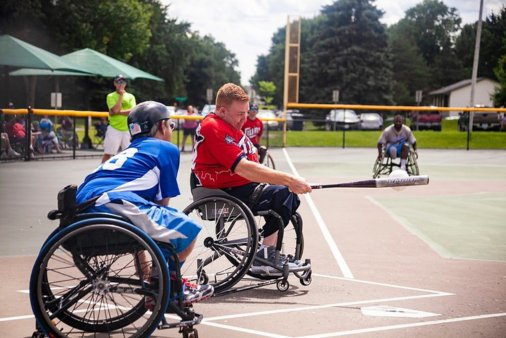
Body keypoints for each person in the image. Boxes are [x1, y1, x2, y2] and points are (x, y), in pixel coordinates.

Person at [76, 101, 213, 306]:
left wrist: (145, 270)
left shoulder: (128, 153)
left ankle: (158, 284)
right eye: (170, 125)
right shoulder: (165, 149)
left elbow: (143, 222)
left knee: (151, 222)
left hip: (84, 205)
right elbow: (162, 204)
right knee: (187, 230)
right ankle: (169, 289)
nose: (171, 131)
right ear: (162, 126)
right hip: (111, 202)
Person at [191, 83, 312, 275]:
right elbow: (244, 168)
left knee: (289, 197)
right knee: (283, 193)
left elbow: (250, 163)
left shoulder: (230, 125)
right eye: (240, 114)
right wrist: (288, 180)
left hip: (238, 186)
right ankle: (264, 255)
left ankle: (266, 250)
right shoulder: (213, 127)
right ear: (222, 110)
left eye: (246, 113)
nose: (244, 119)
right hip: (221, 190)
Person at [103, 74, 136, 163]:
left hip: (127, 129)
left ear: (125, 84)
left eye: (123, 82)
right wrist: (121, 96)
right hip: (114, 128)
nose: (121, 84)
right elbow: (115, 109)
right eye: (118, 82)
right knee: (108, 153)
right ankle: (100, 174)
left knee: (128, 155)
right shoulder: (110, 96)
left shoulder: (131, 96)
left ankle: (126, 174)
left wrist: (117, 113)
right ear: (115, 83)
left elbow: (132, 111)